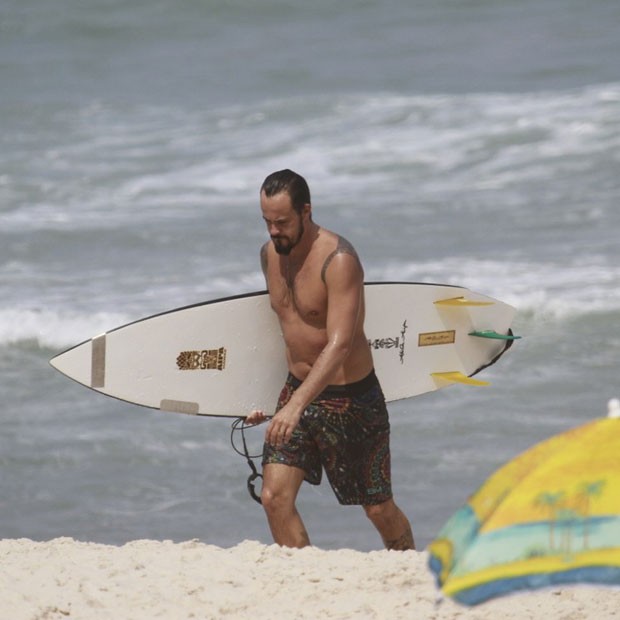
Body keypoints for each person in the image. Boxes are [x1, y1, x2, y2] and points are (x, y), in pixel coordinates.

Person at [245, 169, 414, 551]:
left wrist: (293, 408)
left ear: (306, 211)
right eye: (267, 222)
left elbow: (339, 343)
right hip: (297, 392)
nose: (274, 231)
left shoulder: (339, 261)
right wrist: (260, 400)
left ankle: (410, 567)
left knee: (377, 509)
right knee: (274, 498)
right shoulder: (268, 256)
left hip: (351, 399)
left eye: (283, 222)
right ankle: (304, 581)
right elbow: (283, 334)